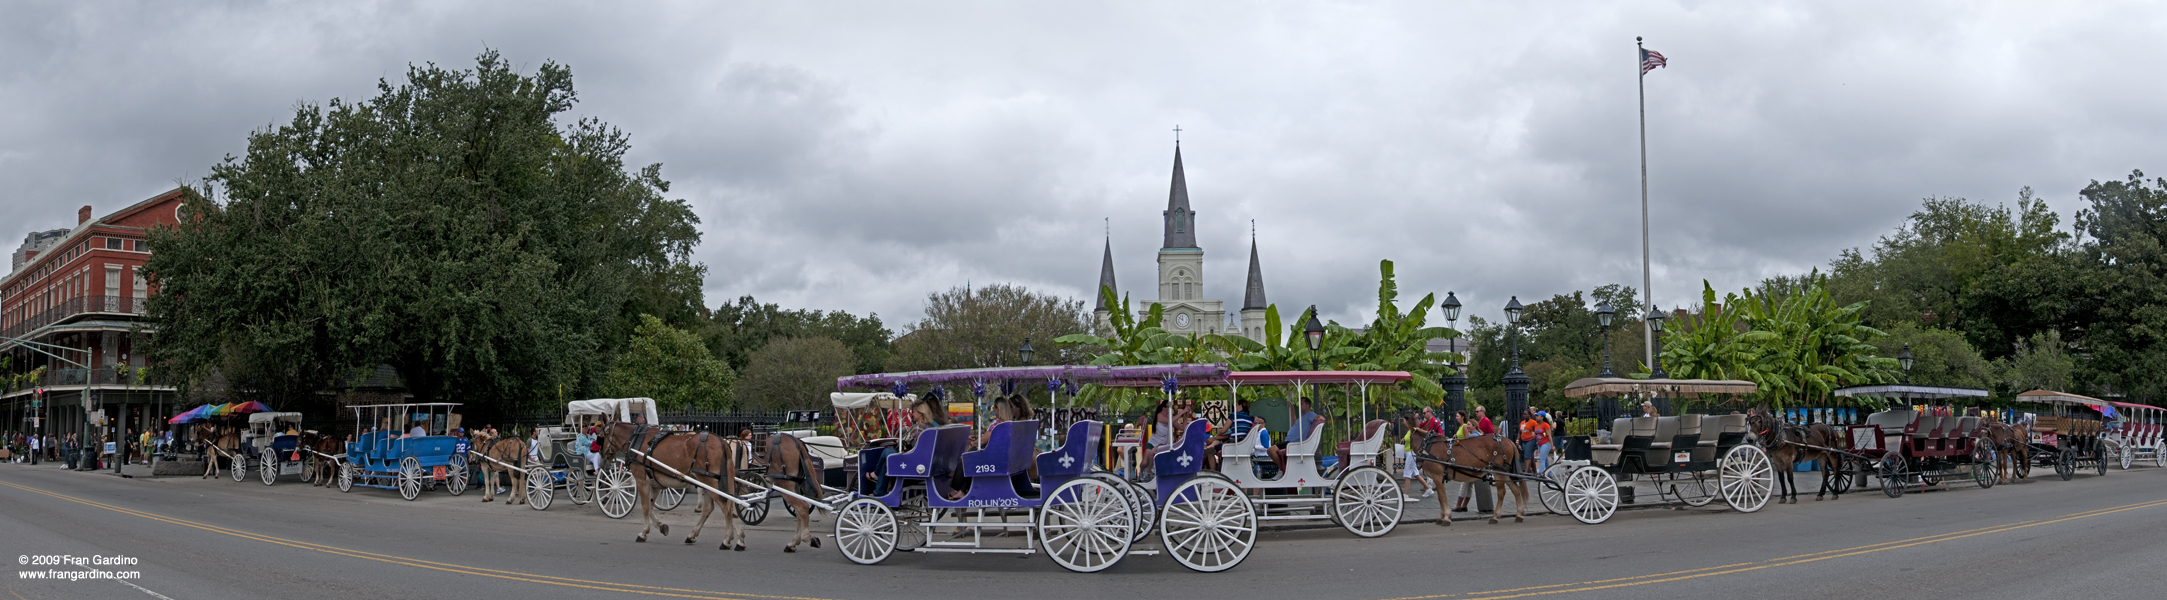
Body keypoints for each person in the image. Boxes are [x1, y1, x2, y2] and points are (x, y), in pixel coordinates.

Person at [1518, 408, 1549, 473]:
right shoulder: (1523, 423)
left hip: (1535, 441)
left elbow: (1546, 434)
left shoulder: (1538, 423)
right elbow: (1520, 432)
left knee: (1531, 457)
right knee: (1533, 457)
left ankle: (1529, 472)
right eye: (1523, 414)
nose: (1524, 415)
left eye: (1526, 414)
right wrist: (1518, 440)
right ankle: (1539, 472)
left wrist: (1551, 445)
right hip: (1531, 441)